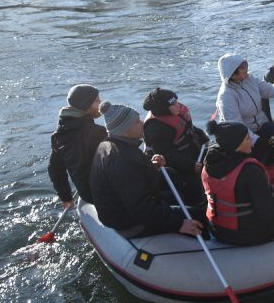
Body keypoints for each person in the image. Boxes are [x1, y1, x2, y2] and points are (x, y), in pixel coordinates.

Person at [90, 101, 204, 239]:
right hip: (129, 221)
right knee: (198, 216)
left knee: (175, 192)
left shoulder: (112, 145)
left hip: (126, 208)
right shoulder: (123, 159)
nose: (143, 123)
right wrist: (179, 223)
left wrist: (150, 165)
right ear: (124, 130)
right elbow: (140, 207)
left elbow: (133, 180)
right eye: (137, 122)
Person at [201, 120, 274, 246]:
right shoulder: (250, 171)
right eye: (247, 138)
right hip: (249, 234)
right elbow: (268, 215)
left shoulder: (207, 165)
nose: (252, 141)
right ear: (237, 145)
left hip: (217, 229)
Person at [216, 53, 274, 179]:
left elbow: (269, 90)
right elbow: (237, 127)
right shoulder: (226, 96)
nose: (246, 68)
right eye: (242, 66)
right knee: (261, 152)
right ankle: (265, 177)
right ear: (233, 74)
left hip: (262, 124)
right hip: (243, 135)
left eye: (245, 64)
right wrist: (256, 140)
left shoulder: (250, 79)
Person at [142, 88, 209, 206]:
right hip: (180, 167)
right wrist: (191, 165)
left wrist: (203, 138)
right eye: (173, 104)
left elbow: (189, 128)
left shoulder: (176, 113)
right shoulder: (156, 128)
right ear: (163, 108)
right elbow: (167, 155)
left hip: (194, 155)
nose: (178, 105)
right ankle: (196, 207)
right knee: (193, 191)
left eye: (176, 101)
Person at [48, 84, 106, 206]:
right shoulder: (98, 133)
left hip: (87, 195)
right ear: (85, 105)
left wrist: (66, 197)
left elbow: (55, 170)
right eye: (97, 101)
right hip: (107, 194)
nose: (101, 103)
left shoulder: (58, 135)